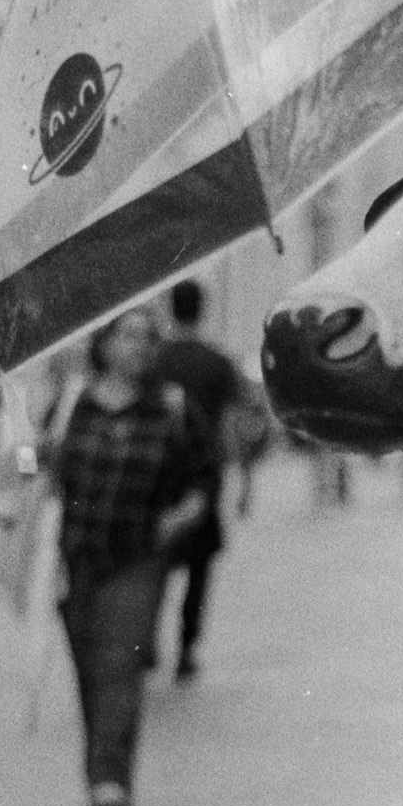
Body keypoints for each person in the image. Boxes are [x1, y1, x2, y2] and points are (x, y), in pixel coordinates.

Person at [49, 306, 208, 806]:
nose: (135, 347)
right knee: (88, 667)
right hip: (76, 555)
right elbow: (40, 474)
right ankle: (102, 771)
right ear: (103, 342)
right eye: (125, 336)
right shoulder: (72, 401)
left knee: (121, 661)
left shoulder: (171, 407)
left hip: (139, 557)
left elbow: (201, 483)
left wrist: (178, 518)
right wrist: (33, 454)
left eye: (145, 338)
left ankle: (108, 783)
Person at [148, 279, 242, 678]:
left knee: (158, 559)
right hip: (204, 475)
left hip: (159, 471)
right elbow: (230, 426)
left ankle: (147, 640)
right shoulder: (219, 363)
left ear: (171, 308)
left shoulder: (155, 360)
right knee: (200, 568)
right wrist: (241, 478)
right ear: (202, 310)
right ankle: (187, 648)